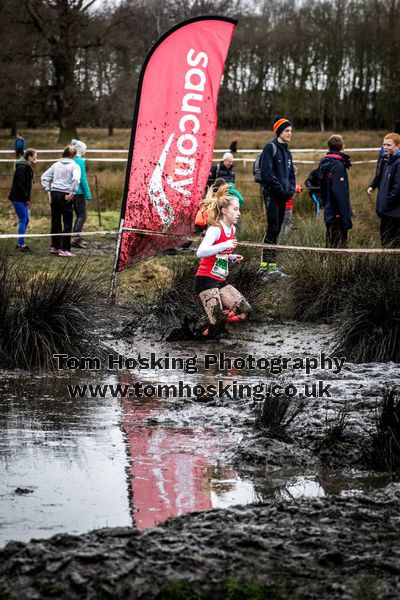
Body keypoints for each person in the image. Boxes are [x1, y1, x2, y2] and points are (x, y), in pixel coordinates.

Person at [195, 183, 250, 335]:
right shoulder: (215, 229)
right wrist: (224, 245)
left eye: (239, 209)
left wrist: (231, 257)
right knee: (217, 322)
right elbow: (201, 252)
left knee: (245, 310)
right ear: (224, 210)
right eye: (235, 209)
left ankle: (208, 326)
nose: (239, 213)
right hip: (205, 279)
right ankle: (201, 337)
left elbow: (219, 254)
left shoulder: (232, 229)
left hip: (220, 280)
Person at [259, 116, 296, 275]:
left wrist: (291, 190)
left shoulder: (287, 151)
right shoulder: (270, 148)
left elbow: (291, 175)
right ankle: (264, 267)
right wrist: (281, 189)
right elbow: (266, 174)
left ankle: (272, 267)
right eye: (287, 131)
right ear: (279, 131)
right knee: (272, 228)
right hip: (272, 195)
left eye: (291, 131)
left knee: (278, 229)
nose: (290, 134)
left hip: (283, 196)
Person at [41, 146, 81, 257]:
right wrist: (72, 192)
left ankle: (55, 246)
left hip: (54, 193)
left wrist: (48, 190)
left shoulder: (56, 164)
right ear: (74, 155)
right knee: (67, 222)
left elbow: (44, 177)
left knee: (55, 221)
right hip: (65, 195)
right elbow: (76, 179)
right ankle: (64, 249)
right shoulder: (75, 166)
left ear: (63, 153)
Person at [318, 134, 352, 248]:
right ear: (343, 147)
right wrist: (345, 218)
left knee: (330, 243)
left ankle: (328, 265)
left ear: (328, 147)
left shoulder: (324, 163)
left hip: (329, 210)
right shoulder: (338, 166)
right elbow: (339, 193)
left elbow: (321, 188)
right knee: (340, 247)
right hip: (337, 214)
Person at [367, 133, 400, 248]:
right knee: (385, 243)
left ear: (398, 146)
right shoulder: (387, 161)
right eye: (384, 144)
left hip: (394, 213)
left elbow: (397, 188)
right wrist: (373, 186)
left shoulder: (398, 163)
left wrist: (386, 203)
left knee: (394, 245)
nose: (385, 147)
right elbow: (380, 178)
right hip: (386, 211)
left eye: (388, 145)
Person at [8, 148, 38, 251]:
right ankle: (21, 245)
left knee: (26, 219)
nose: (36, 158)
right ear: (29, 156)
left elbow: (25, 185)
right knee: (23, 219)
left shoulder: (26, 166)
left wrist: (27, 198)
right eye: (35, 156)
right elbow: (20, 185)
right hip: (18, 197)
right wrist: (26, 198)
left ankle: (21, 243)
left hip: (22, 198)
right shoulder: (22, 167)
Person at [70, 139, 91, 248]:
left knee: (77, 216)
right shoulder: (80, 161)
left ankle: (74, 237)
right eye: (85, 150)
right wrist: (88, 194)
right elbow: (83, 179)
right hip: (78, 193)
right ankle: (76, 239)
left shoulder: (70, 160)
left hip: (69, 192)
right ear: (81, 150)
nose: (85, 152)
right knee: (82, 216)